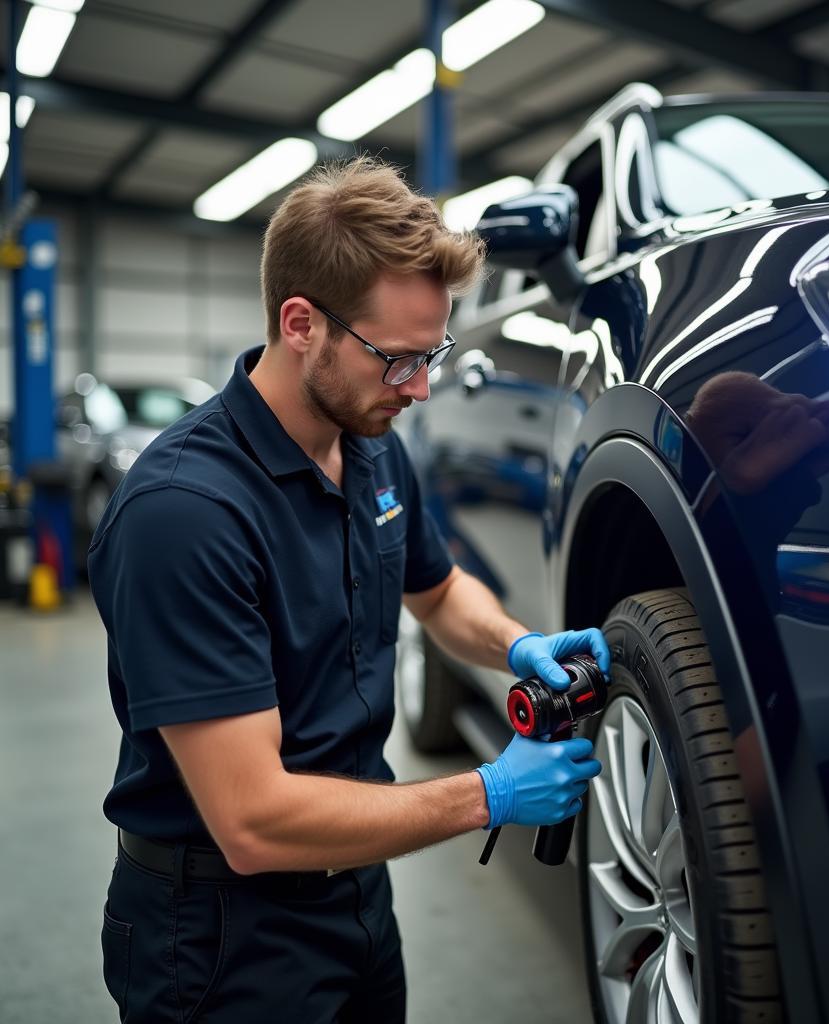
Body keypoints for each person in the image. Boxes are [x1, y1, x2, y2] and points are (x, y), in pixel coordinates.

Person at [88, 156, 608, 1024]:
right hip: (222, 931)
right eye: (398, 359)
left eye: (432, 353)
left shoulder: (369, 441)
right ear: (301, 324)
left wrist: (518, 643)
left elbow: (437, 595)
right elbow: (252, 823)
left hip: (359, 888)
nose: (422, 387)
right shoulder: (183, 514)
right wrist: (489, 794)